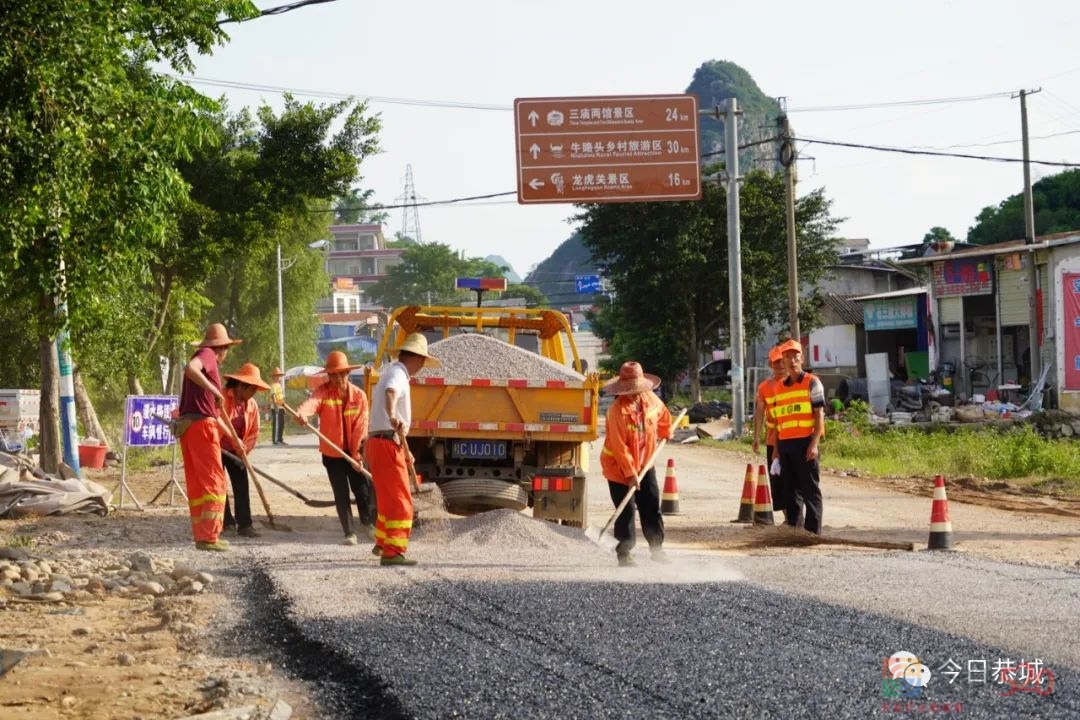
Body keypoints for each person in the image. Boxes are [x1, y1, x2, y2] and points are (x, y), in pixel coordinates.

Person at [365, 333, 440, 566]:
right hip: (387, 440)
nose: (422, 367)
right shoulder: (398, 374)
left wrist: (403, 448)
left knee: (387, 499)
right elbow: (390, 393)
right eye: (422, 362)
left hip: (380, 442)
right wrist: (394, 416)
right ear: (416, 358)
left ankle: (383, 542)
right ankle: (394, 551)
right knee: (400, 500)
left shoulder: (392, 371)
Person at [295, 351, 375, 546]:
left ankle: (369, 524)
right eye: (334, 375)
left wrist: (357, 456)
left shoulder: (360, 396)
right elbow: (311, 404)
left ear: (348, 374)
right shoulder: (323, 392)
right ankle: (349, 532)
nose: (338, 378)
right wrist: (302, 414)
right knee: (341, 493)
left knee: (363, 490)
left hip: (355, 452)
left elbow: (361, 428)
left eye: (342, 374)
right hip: (332, 455)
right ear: (328, 376)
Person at [599, 361, 673, 567]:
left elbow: (663, 415)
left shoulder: (650, 400)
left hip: (646, 464)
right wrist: (630, 475)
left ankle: (657, 549)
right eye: (629, 390)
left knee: (651, 505)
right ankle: (624, 554)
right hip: (618, 469)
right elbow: (620, 447)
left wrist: (667, 431)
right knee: (626, 512)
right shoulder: (616, 412)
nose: (633, 393)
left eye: (636, 389)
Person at [178, 323, 241, 552]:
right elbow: (190, 368)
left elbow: (213, 415)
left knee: (199, 484)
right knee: (215, 481)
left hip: (193, 426)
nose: (225, 355)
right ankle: (210, 536)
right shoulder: (208, 356)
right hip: (200, 427)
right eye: (226, 349)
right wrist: (216, 391)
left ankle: (203, 536)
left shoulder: (207, 362)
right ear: (222, 348)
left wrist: (234, 440)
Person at [773, 339, 827, 534]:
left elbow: (819, 413)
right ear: (783, 362)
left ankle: (813, 533)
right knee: (791, 491)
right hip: (786, 444)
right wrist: (777, 450)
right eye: (787, 357)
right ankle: (794, 531)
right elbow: (779, 421)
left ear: (802, 359)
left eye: (795, 356)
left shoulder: (813, 382)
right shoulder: (779, 387)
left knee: (810, 490)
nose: (791, 360)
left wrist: (814, 443)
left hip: (805, 443)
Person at [220, 363, 271, 538]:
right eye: (252, 390)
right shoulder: (221, 397)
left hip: (238, 451)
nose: (253, 394)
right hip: (217, 447)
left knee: (242, 485)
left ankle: (245, 525)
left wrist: (244, 450)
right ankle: (226, 523)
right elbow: (215, 421)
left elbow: (254, 432)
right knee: (220, 486)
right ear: (242, 386)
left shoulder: (252, 405)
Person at [752, 346, 788, 521]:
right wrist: (756, 438)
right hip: (773, 441)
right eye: (776, 363)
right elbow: (759, 412)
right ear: (770, 364)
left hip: (792, 438)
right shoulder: (764, 387)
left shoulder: (796, 383)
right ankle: (789, 518)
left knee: (793, 480)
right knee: (777, 480)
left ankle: (796, 519)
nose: (780, 365)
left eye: (782, 361)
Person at [270, 367, 288, 445]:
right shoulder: (273, 385)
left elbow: (281, 397)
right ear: (273, 377)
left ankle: (280, 439)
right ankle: (275, 440)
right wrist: (276, 406)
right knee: (276, 424)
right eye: (276, 376)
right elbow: (273, 396)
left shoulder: (279, 385)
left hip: (281, 406)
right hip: (276, 407)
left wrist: (284, 407)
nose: (278, 377)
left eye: (279, 376)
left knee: (281, 423)